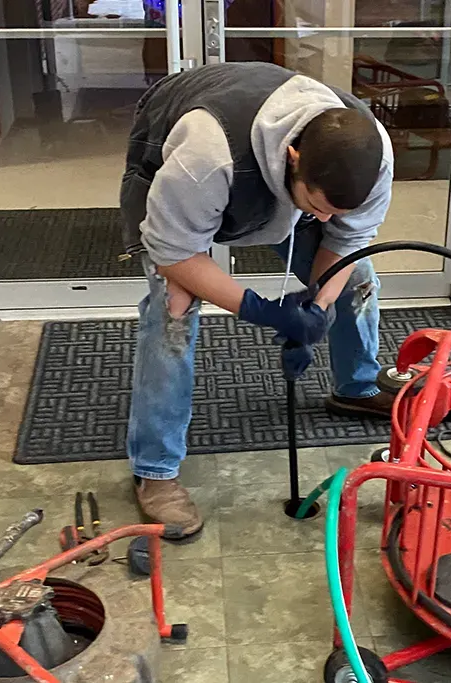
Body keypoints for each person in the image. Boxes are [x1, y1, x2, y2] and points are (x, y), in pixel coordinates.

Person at [120, 61, 394, 539]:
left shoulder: (376, 156)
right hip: (199, 170)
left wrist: (317, 308)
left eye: (336, 210)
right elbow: (173, 254)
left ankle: (357, 387)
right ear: (293, 157)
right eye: (319, 205)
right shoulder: (205, 155)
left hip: (273, 176)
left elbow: (348, 240)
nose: (327, 216)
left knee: (358, 277)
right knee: (174, 309)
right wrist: (265, 312)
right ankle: (155, 469)